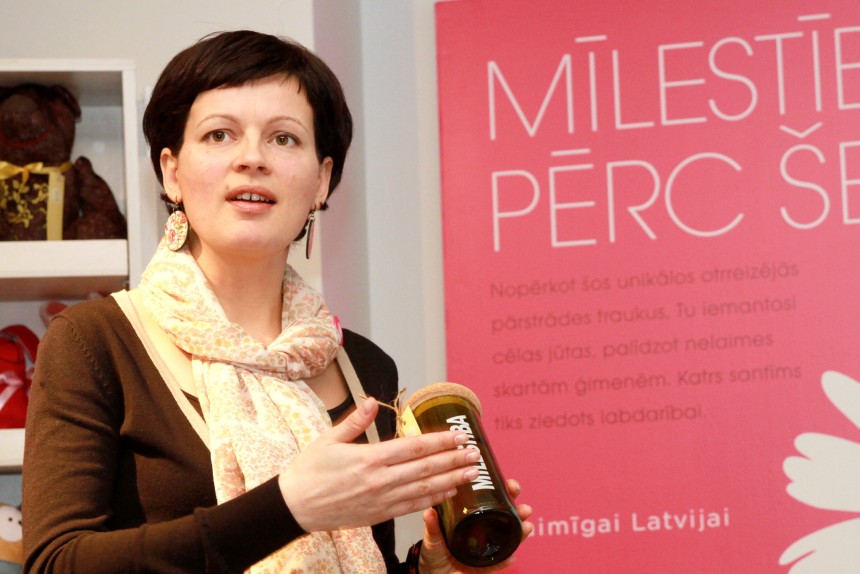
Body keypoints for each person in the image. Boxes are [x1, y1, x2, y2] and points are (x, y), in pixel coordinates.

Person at [22, 30, 532, 573]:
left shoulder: (364, 367)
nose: (252, 158)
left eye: (284, 138)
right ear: (172, 172)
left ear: (322, 180)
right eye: (219, 134)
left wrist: (431, 567)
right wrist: (289, 507)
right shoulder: (95, 342)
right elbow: (56, 563)